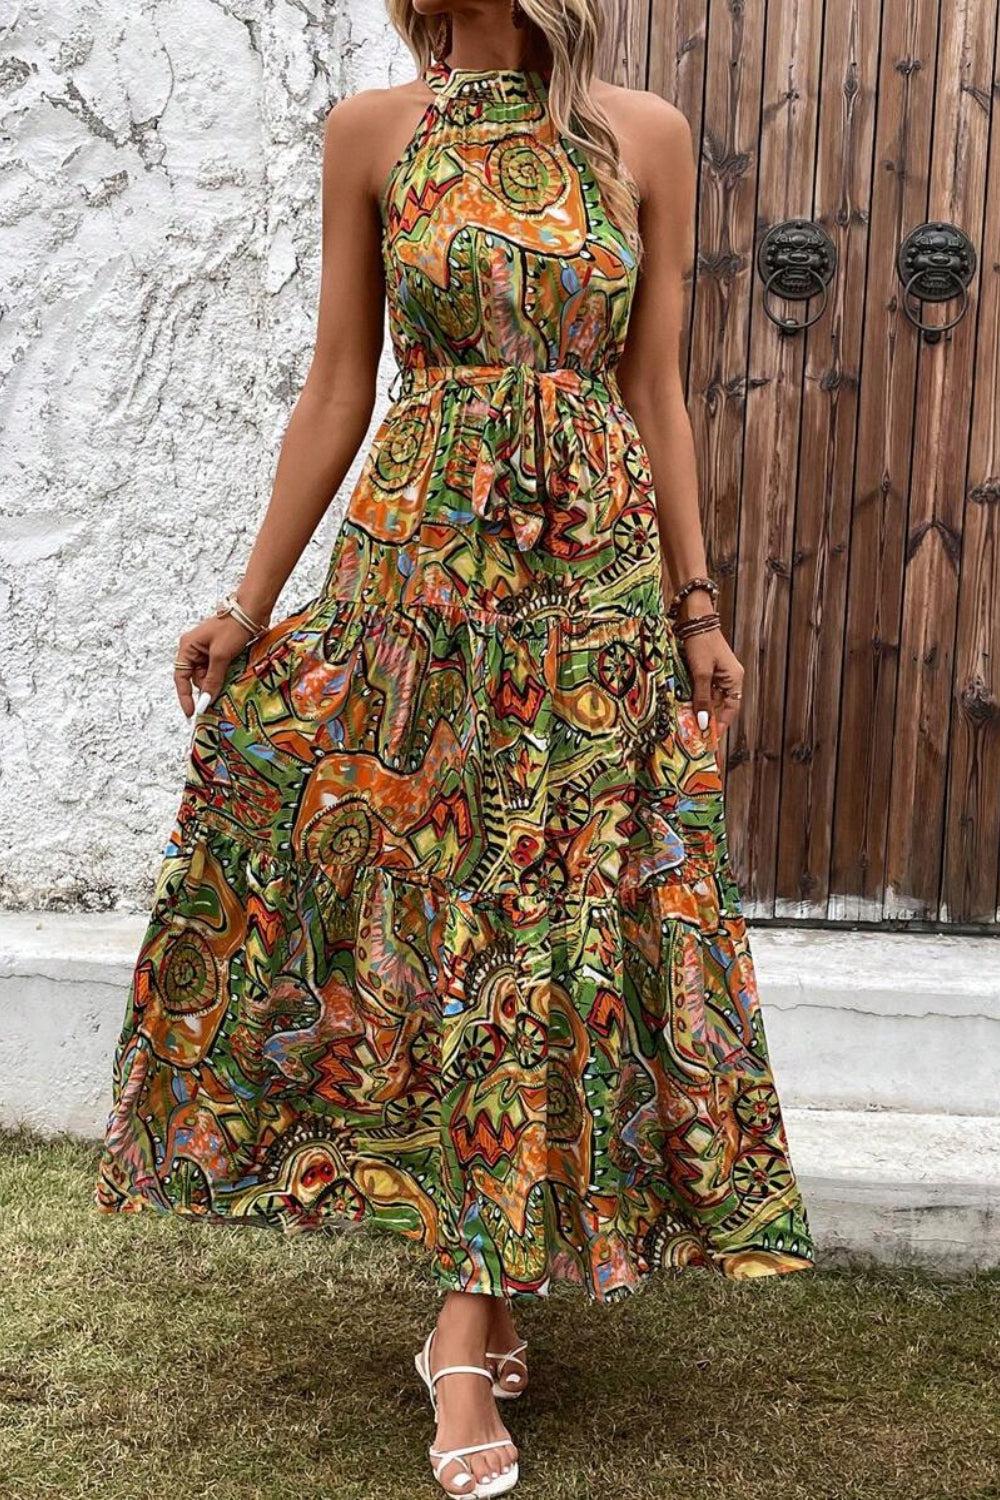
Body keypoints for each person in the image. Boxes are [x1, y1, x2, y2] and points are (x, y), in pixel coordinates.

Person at [95, 0, 815, 1494]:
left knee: (554, 913)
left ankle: (469, 1327)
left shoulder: (646, 137)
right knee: (438, 909)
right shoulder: (375, 133)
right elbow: (339, 384)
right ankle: (471, 1306)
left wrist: (696, 609)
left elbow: (655, 387)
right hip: (421, 578)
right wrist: (250, 601)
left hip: (592, 587)